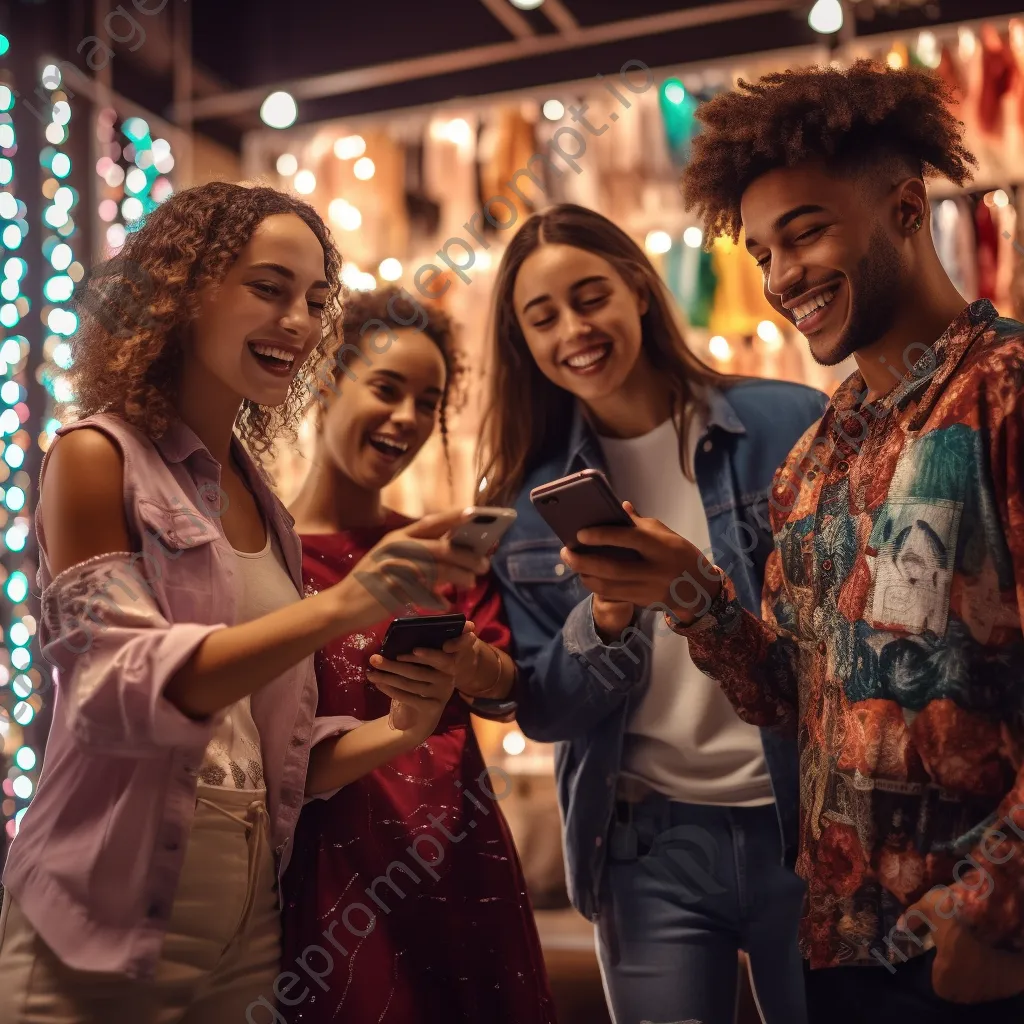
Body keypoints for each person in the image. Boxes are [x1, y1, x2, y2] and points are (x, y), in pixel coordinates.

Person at [560, 60, 1024, 1023]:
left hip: (980, 952)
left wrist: (995, 913)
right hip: (838, 948)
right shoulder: (813, 459)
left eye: (805, 233)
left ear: (905, 208)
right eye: (763, 252)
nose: (782, 279)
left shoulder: (1005, 392)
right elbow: (794, 698)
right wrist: (690, 593)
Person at [0, 183, 488, 1024]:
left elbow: (273, 760)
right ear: (184, 292)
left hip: (250, 933)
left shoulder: (263, 504)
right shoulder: (93, 457)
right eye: (269, 288)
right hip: (102, 920)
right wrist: (341, 608)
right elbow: (116, 689)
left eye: (315, 301)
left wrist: (401, 726)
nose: (298, 322)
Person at [478, 203, 827, 1024]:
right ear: (523, 343)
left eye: (590, 295)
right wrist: (603, 619)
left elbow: (845, 636)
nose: (574, 328)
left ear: (639, 288)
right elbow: (547, 709)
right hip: (646, 846)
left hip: (808, 823)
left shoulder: (789, 422)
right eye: (543, 316)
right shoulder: (524, 507)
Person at [280, 286, 557, 1024]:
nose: (407, 417)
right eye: (387, 389)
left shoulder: (438, 547)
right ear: (329, 383)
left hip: (460, 855)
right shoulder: (266, 556)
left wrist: (466, 662)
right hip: (337, 871)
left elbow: (505, 688)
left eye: (428, 401)